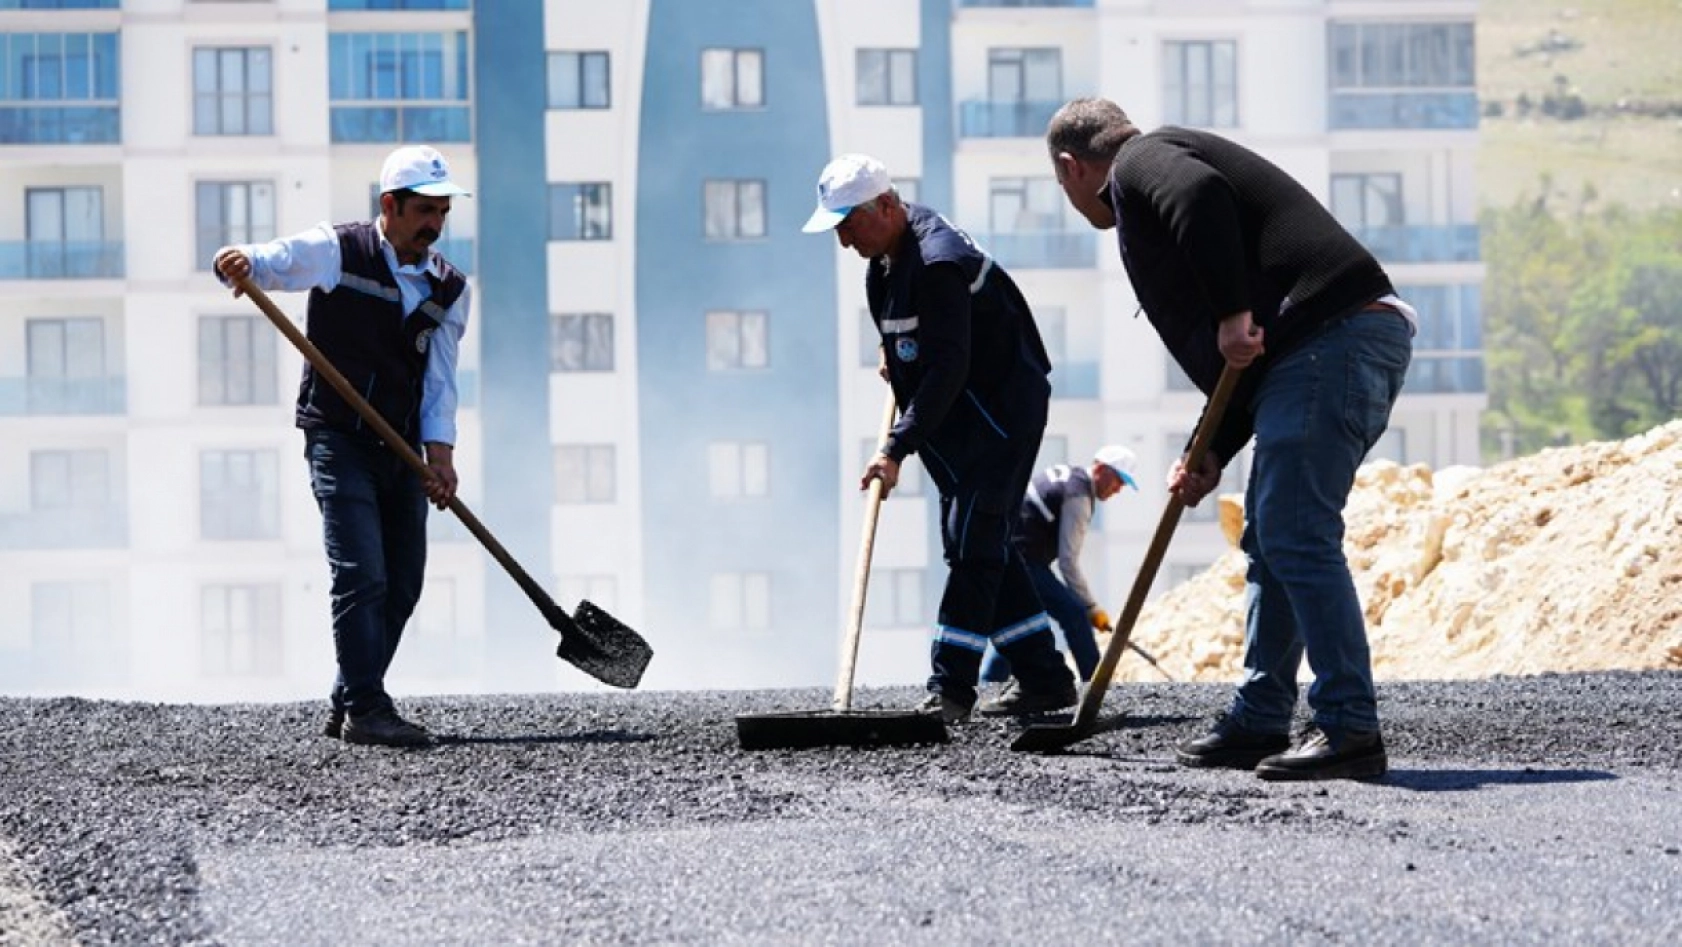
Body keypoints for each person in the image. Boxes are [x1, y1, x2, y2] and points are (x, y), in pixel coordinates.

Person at [1045, 99, 1415, 780]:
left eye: (1061, 184)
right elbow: (1250, 361)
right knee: (1271, 535)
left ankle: (1349, 725)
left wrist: (1230, 311)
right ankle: (1259, 716)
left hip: (1331, 338)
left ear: (1071, 167)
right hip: (1310, 351)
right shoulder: (1149, 177)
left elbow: (1200, 195)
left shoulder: (1142, 160)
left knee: (1295, 530)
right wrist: (1207, 448)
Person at [212, 145, 472, 747]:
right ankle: (367, 709)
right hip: (339, 439)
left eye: (442, 212)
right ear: (391, 205)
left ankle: (349, 697)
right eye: (425, 211)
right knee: (361, 574)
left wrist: (440, 458)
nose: (435, 224)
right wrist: (239, 260)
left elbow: (440, 383)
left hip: (401, 448)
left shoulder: (450, 288)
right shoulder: (339, 250)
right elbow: (274, 262)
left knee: (402, 583)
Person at [803, 153, 1078, 723]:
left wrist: (894, 449)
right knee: (977, 540)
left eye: (849, 225)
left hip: (999, 415)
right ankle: (1045, 679)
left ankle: (950, 689)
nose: (844, 240)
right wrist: (896, 357)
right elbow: (912, 339)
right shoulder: (885, 262)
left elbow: (949, 367)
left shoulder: (938, 262)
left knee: (973, 544)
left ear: (886, 205)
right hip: (956, 421)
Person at [979, 445, 1138, 694]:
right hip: (1021, 560)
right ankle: (1096, 688)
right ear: (1099, 469)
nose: (1118, 489)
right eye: (1118, 480)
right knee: (1074, 614)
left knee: (1023, 625)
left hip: (1005, 554)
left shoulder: (1070, 478)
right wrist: (1091, 607)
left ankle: (988, 685)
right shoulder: (1079, 495)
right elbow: (1068, 561)